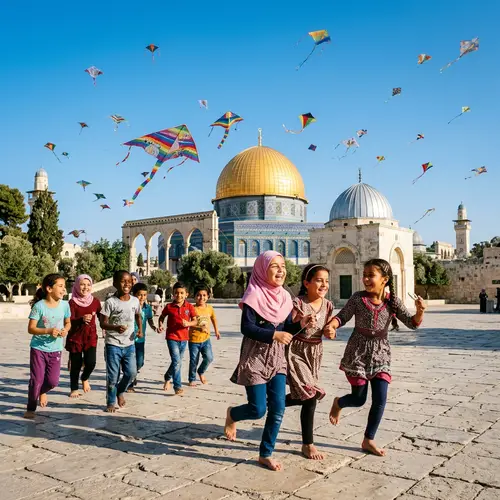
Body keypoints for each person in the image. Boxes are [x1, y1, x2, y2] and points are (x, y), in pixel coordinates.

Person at [224, 251, 313, 471]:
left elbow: (286, 328)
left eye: (283, 266)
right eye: (275, 266)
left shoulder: (284, 297)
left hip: (277, 358)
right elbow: (247, 327)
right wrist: (274, 335)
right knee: (258, 409)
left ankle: (265, 453)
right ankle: (233, 413)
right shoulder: (253, 295)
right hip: (254, 357)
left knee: (278, 407)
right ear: (263, 269)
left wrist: (301, 322)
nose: (281, 270)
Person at [328, 259, 426, 456]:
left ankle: (368, 439)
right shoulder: (358, 299)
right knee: (359, 399)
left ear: (385, 279)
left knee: (380, 399)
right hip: (358, 353)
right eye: (364, 274)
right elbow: (343, 316)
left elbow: (412, 323)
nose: (365, 279)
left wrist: (420, 310)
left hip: (381, 353)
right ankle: (339, 403)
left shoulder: (392, 302)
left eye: (370, 275)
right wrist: (331, 325)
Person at [286, 264, 335, 460]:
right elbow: (288, 327)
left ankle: (269, 403)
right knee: (310, 395)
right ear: (307, 283)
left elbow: (328, 327)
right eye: (319, 280)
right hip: (296, 351)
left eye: (327, 281)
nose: (324, 284)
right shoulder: (297, 303)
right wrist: (302, 322)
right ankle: (308, 444)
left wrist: (330, 331)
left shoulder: (328, 305)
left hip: (315, 353)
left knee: (305, 395)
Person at [24, 273, 71, 419]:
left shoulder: (65, 305)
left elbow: (68, 322)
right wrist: (48, 331)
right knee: (36, 379)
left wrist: (65, 330)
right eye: (61, 286)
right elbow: (31, 328)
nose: (64, 289)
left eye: (65, 286)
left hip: (56, 349)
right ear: (49, 288)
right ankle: (31, 407)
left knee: (53, 381)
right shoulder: (39, 306)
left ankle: (42, 391)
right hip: (38, 348)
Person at [100, 270, 142, 413]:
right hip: (113, 344)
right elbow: (102, 323)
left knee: (131, 373)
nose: (126, 284)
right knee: (113, 376)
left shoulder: (135, 301)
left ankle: (120, 391)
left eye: (129, 281)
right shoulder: (110, 302)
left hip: (129, 344)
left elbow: (138, 316)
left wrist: (140, 329)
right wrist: (115, 327)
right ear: (115, 284)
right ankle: (111, 402)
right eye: (123, 281)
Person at [158, 282, 198, 395]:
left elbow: (195, 321)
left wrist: (189, 323)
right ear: (173, 294)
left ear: (186, 294)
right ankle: (177, 386)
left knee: (177, 362)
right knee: (176, 361)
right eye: (176, 293)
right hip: (171, 337)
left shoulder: (189, 307)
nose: (179, 295)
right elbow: (161, 317)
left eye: (181, 293)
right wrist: (160, 325)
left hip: (184, 338)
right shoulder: (169, 307)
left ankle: (167, 376)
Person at [66, 274, 101, 398]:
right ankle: (74, 388)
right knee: (75, 364)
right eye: (82, 284)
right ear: (76, 286)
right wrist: (81, 319)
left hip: (90, 337)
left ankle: (85, 377)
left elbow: (101, 316)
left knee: (91, 362)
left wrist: (107, 326)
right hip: (75, 338)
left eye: (88, 284)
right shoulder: (72, 303)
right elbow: (68, 319)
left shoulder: (95, 302)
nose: (85, 287)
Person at [188, 285, 221, 387]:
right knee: (194, 360)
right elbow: (189, 323)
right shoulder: (192, 308)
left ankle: (201, 371)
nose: (201, 297)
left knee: (209, 358)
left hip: (206, 339)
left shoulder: (209, 308)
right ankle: (192, 379)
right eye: (198, 295)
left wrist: (216, 331)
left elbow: (214, 319)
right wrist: (199, 327)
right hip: (194, 340)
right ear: (194, 297)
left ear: (208, 296)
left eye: (204, 295)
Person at [127, 282, 157, 392]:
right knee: (130, 362)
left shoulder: (147, 308)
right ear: (133, 295)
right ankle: (130, 383)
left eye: (144, 295)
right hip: (128, 340)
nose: (142, 297)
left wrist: (153, 327)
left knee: (140, 362)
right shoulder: (129, 306)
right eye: (140, 295)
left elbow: (149, 319)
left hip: (140, 340)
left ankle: (133, 374)